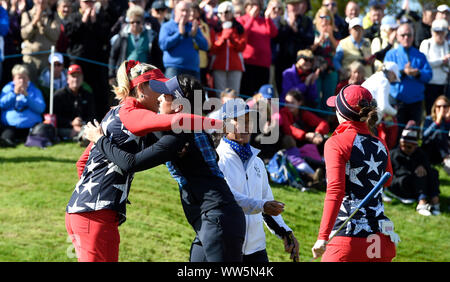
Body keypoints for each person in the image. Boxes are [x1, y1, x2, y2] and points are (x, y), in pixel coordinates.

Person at [81, 73, 246, 262]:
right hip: (210, 220)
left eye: (166, 96)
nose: (159, 98)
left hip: (218, 218)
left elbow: (131, 163)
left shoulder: (181, 133)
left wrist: (100, 140)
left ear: (180, 105)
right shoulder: (182, 130)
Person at [312, 84, 398, 262]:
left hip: (348, 241)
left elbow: (335, 191)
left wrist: (322, 236)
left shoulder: (335, 143)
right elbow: (387, 181)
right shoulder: (380, 143)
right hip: (380, 242)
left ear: (341, 112)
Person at [216, 98, 299, 262]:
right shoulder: (217, 159)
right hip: (226, 247)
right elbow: (227, 199)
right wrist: (262, 205)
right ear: (224, 126)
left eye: (249, 121)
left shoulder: (258, 162)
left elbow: (267, 203)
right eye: (239, 121)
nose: (247, 125)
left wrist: (285, 232)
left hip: (256, 249)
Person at [65, 0, 111, 120]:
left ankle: (100, 119)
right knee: (77, 89)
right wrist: (83, 21)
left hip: (95, 62)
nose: (89, 4)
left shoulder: (100, 17)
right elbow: (70, 35)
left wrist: (94, 22)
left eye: (91, 2)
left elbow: (105, 38)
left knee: (99, 91)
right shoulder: (74, 17)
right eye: (86, 2)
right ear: (81, 3)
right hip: (78, 60)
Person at [388, 120, 441, 216]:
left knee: (432, 172)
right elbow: (399, 172)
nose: (405, 148)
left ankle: (434, 200)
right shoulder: (394, 154)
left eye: (409, 147)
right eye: (403, 145)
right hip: (400, 184)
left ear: (415, 145)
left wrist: (422, 167)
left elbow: (428, 167)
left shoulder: (420, 153)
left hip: (416, 184)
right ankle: (422, 202)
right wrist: (415, 168)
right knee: (417, 174)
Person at [384, 23, 433, 127]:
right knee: (395, 134)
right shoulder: (391, 54)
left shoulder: (420, 55)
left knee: (413, 135)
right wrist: (403, 72)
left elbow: (429, 75)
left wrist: (417, 73)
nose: (406, 38)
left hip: (416, 102)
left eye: (409, 35)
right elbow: (386, 75)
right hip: (396, 101)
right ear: (397, 37)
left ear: (413, 36)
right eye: (403, 35)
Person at [237, 0, 278, 97]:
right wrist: (251, 18)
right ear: (246, 7)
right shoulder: (241, 19)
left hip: (263, 64)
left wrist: (268, 18)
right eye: (251, 6)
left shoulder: (264, 20)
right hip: (248, 63)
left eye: (256, 6)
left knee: (262, 95)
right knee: (246, 93)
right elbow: (243, 33)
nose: (255, 8)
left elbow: (273, 33)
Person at [274, 0, 314, 95]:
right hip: (281, 61)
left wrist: (297, 31)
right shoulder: (279, 20)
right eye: (293, 5)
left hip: (299, 63)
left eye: (297, 4)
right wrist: (289, 26)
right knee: (279, 89)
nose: (295, 7)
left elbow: (310, 39)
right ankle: (279, 110)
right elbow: (277, 38)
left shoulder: (306, 21)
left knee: (297, 91)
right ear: (287, 6)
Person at [159, 1, 208, 80]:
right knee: (173, 92)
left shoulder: (194, 27)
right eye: (182, 10)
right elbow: (163, 45)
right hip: (174, 69)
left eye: (187, 11)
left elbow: (205, 46)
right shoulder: (166, 26)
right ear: (175, 11)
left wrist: (195, 36)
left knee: (197, 92)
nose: (185, 13)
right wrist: (179, 34)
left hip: (194, 70)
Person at [21, 0, 60, 82]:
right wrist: (34, 22)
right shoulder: (27, 14)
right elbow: (24, 35)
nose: (41, 0)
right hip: (30, 59)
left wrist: (44, 25)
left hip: (48, 60)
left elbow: (55, 36)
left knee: (47, 89)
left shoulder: (53, 16)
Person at [0, 64, 45, 147]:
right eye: (19, 78)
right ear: (14, 79)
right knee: (7, 137)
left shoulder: (35, 90)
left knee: (38, 136)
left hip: (31, 128)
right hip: (10, 126)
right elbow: (1, 104)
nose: (22, 81)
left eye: (24, 78)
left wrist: (27, 96)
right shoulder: (7, 89)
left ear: (28, 78)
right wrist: (13, 94)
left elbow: (41, 108)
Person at [109, 6, 159, 80]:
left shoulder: (150, 35)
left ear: (142, 22)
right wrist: (111, 75)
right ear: (129, 22)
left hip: (145, 75)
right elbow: (113, 55)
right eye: (132, 22)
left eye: (138, 22)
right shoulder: (123, 35)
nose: (135, 24)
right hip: (126, 74)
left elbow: (157, 56)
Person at [210, 1, 246, 96]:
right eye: (221, 13)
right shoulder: (215, 28)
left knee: (234, 95)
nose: (224, 15)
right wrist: (223, 38)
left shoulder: (239, 28)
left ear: (232, 12)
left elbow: (241, 47)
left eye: (227, 12)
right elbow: (212, 48)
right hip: (218, 65)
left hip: (236, 66)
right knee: (220, 95)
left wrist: (232, 39)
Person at [362, 61, 400, 148]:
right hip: (369, 123)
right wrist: (395, 112)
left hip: (361, 120)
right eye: (394, 77)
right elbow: (383, 106)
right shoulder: (384, 81)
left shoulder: (373, 77)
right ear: (390, 72)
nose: (393, 80)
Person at [53, 64, 95, 141]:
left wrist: (82, 123)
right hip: (64, 128)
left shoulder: (87, 95)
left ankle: (82, 137)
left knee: (88, 132)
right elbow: (55, 118)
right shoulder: (58, 95)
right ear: (67, 79)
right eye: (73, 76)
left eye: (78, 76)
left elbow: (92, 115)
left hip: (84, 127)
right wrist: (71, 123)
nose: (76, 79)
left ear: (82, 78)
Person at [311, 6, 339, 112]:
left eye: (327, 17)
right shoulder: (312, 32)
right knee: (315, 96)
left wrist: (331, 36)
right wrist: (318, 41)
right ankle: (316, 123)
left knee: (329, 97)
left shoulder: (335, 32)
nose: (324, 20)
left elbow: (339, 50)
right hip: (315, 69)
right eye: (321, 17)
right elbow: (308, 51)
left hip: (330, 69)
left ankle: (327, 122)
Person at [419, 19, 450, 113]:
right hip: (430, 85)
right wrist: (441, 61)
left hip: (445, 85)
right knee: (431, 112)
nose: (440, 35)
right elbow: (424, 63)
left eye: (442, 32)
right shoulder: (426, 43)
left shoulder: (447, 45)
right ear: (432, 32)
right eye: (437, 32)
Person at [422, 95, 450, 169]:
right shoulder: (429, 119)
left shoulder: (448, 120)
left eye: (445, 106)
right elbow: (424, 136)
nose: (442, 109)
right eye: (439, 106)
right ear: (435, 108)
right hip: (430, 149)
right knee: (438, 132)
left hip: (444, 148)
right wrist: (437, 122)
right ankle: (446, 158)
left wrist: (447, 121)